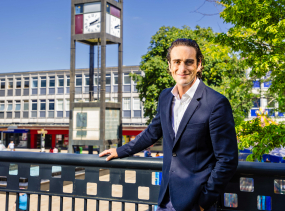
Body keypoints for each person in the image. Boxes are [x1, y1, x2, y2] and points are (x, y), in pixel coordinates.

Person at [100, 39, 238, 211]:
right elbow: (152, 132)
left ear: (199, 65)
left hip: (195, 201)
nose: (182, 68)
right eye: (177, 62)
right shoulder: (165, 97)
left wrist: (204, 201)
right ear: (169, 65)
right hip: (165, 198)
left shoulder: (216, 103)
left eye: (189, 62)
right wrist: (119, 151)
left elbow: (227, 159)